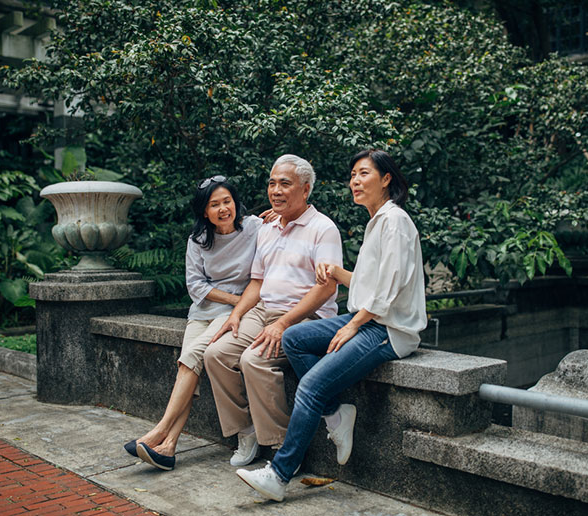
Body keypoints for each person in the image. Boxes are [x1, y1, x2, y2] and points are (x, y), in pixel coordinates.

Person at [235, 149, 427, 502]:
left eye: (364, 174)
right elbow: (373, 283)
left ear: (386, 180)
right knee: (293, 337)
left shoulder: (394, 221)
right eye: (352, 174)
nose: (355, 181)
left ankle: (279, 475)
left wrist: (353, 324)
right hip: (372, 319)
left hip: (389, 330)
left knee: (311, 385)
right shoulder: (378, 221)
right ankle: (337, 413)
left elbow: (389, 289)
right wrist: (339, 274)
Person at [203, 154, 343, 468]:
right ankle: (246, 431)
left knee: (254, 360)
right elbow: (257, 281)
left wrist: (284, 323)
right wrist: (237, 313)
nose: (275, 190)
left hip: (303, 318)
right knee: (215, 354)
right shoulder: (268, 226)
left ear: (305, 190)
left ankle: (283, 450)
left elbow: (327, 288)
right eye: (272, 183)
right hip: (263, 310)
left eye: (285, 184)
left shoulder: (323, 228)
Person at [123, 175, 264, 471]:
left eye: (227, 201)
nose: (223, 209)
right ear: (204, 211)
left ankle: (160, 430)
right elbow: (195, 286)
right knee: (189, 367)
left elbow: (284, 229)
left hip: (234, 312)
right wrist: (232, 298)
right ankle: (169, 447)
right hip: (203, 312)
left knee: (190, 360)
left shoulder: (255, 228)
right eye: (215, 204)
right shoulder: (198, 240)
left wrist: (238, 304)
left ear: (236, 203)